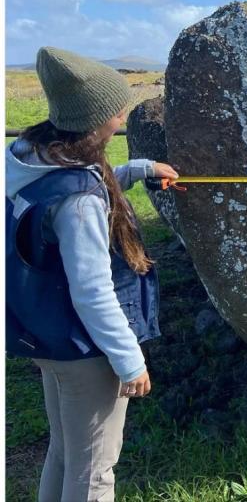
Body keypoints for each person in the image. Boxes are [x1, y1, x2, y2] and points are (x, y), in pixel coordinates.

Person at [6, 47, 179, 500]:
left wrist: (136, 170)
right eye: (116, 108)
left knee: (65, 452)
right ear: (95, 118)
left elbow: (73, 184)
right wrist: (128, 359)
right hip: (86, 349)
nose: (122, 115)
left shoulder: (30, 158)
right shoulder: (80, 203)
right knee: (95, 472)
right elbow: (92, 291)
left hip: (46, 334)